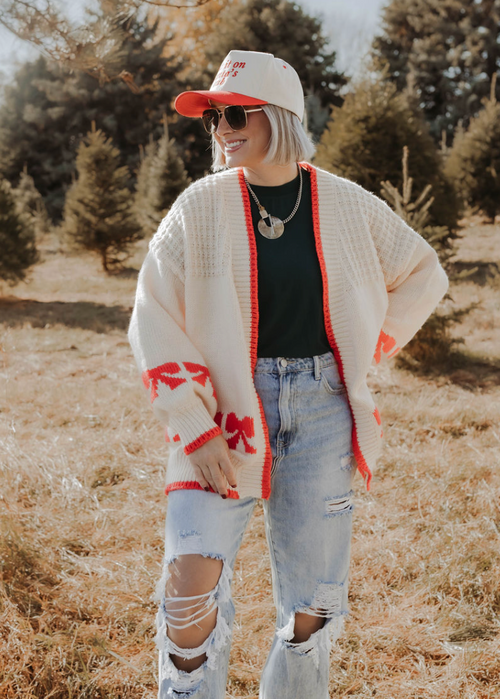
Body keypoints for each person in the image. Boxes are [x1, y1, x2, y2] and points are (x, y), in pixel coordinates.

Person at [128, 49, 448, 699]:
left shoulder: (345, 203)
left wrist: (365, 349)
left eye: (235, 113)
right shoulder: (199, 207)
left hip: (326, 407)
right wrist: (194, 423)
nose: (221, 127)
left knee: (314, 604)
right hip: (221, 414)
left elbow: (424, 274)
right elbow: (151, 315)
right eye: (214, 116)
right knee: (189, 591)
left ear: (280, 115)